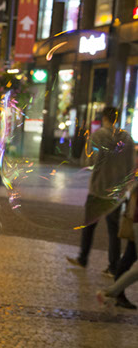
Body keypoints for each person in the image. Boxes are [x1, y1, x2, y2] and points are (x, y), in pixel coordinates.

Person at [66, 106, 135, 277]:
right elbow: (132, 165)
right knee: (113, 229)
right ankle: (113, 266)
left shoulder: (98, 136)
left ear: (104, 118)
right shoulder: (127, 138)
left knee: (89, 224)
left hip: (98, 188)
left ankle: (83, 258)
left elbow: (88, 161)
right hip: (117, 192)